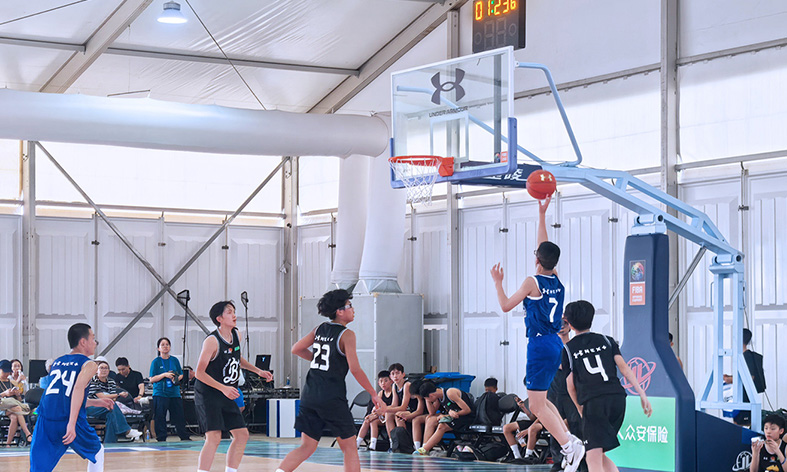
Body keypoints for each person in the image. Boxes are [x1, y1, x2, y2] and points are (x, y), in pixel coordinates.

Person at [490, 194, 585, 472]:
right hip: (555, 342)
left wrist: (498, 282)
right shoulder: (556, 278)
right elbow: (543, 247)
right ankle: (570, 442)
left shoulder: (532, 282)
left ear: (536, 260)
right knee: (544, 402)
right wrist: (542, 214)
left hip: (540, 344)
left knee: (537, 406)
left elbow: (505, 305)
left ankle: (569, 446)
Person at [275, 289, 383, 472]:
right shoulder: (347, 335)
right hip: (331, 397)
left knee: (307, 447)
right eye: (349, 305)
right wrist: (373, 393)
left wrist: (317, 359)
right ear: (339, 311)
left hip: (310, 395)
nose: (353, 309)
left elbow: (296, 349)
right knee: (350, 448)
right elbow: (355, 369)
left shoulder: (319, 329)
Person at [562, 300, 652, 472]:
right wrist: (641, 393)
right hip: (618, 400)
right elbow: (624, 368)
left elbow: (570, 386)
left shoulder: (568, 349)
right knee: (599, 452)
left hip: (594, 403)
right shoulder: (607, 340)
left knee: (592, 457)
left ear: (569, 324)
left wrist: (580, 409)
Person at [194, 300, 273, 472]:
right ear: (219, 318)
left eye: (234, 311)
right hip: (209, 393)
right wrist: (223, 388)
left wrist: (258, 371)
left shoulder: (237, 334)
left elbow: (237, 358)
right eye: (229, 312)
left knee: (241, 435)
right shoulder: (212, 341)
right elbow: (199, 372)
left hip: (227, 392)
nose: (234, 315)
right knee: (214, 437)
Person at [29, 323, 115, 472]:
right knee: (96, 452)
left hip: (45, 419)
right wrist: (71, 424)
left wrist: (96, 402)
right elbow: (77, 389)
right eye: (93, 338)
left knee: (39, 468)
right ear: (83, 342)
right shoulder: (89, 365)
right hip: (67, 418)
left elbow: (64, 397)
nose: (95, 343)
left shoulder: (57, 362)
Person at [86, 361, 142, 443]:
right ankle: (126, 430)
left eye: (106, 368)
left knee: (111, 416)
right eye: (101, 368)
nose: (104, 370)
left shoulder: (111, 382)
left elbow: (113, 398)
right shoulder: (92, 381)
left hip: (106, 407)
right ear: (96, 370)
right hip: (91, 407)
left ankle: (109, 444)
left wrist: (113, 397)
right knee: (111, 405)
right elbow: (101, 396)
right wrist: (118, 395)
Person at [414, 381, 475, 455]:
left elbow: (467, 410)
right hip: (454, 417)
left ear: (431, 395)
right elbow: (431, 412)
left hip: (466, 417)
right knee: (430, 419)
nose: (427, 401)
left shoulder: (450, 393)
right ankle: (424, 447)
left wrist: (452, 414)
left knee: (442, 426)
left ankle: (424, 450)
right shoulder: (439, 397)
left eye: (427, 399)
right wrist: (428, 401)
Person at [149, 337, 190, 441]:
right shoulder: (156, 362)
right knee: (160, 416)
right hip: (160, 393)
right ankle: (161, 437)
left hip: (174, 393)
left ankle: (183, 436)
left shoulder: (174, 360)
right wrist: (164, 375)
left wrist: (176, 378)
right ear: (158, 348)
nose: (165, 346)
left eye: (167, 344)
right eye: (162, 345)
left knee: (179, 415)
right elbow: (152, 379)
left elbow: (181, 374)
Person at [724, 328, 767, 427]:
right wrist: (730, 377)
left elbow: (750, 377)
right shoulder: (743, 356)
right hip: (741, 397)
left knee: (741, 425)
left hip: (745, 398)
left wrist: (731, 380)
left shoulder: (747, 357)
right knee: (738, 424)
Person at [357, 370, 394, 451]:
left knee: (377, 417)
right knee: (369, 420)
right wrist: (372, 414)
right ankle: (365, 444)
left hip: (390, 417)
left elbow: (391, 408)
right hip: (381, 417)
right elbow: (377, 408)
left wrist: (376, 414)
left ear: (391, 381)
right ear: (378, 383)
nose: (383, 383)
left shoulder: (393, 392)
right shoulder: (380, 393)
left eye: (386, 381)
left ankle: (392, 445)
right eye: (381, 381)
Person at [0, 359, 32, 446]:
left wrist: (17, 395)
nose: (6, 374)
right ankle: (27, 434)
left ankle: (8, 444)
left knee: (14, 417)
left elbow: (19, 401)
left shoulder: (12, 383)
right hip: (2, 407)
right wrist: (4, 394)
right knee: (17, 408)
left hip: (11, 408)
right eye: (4, 372)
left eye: (8, 372)